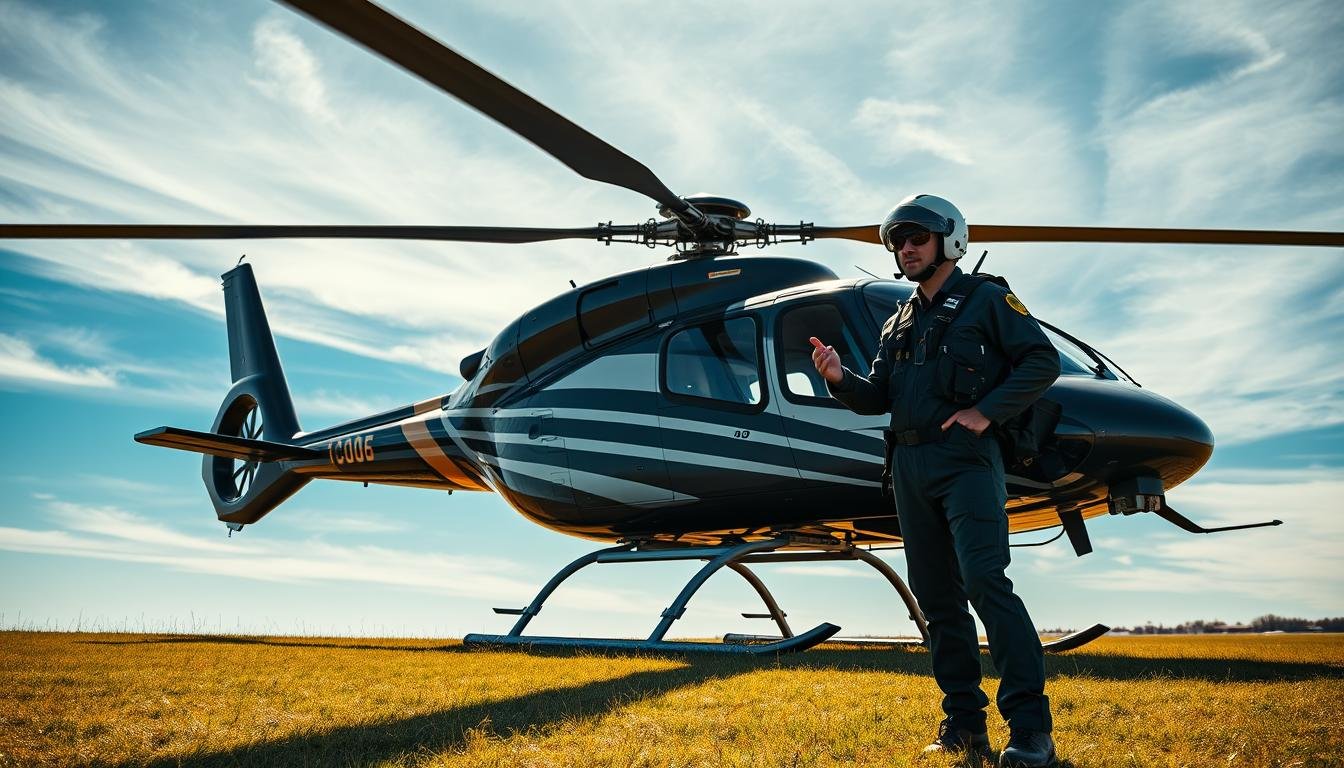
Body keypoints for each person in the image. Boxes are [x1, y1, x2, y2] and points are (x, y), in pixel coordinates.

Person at [809, 194, 1061, 768]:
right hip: (908, 466)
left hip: (965, 459)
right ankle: (964, 727)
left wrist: (986, 412)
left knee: (985, 583)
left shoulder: (986, 299)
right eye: (897, 241)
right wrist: (839, 379)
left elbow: (1041, 361)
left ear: (950, 239)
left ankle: (1030, 730)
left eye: (917, 237)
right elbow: (878, 395)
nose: (906, 249)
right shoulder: (898, 320)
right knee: (938, 599)